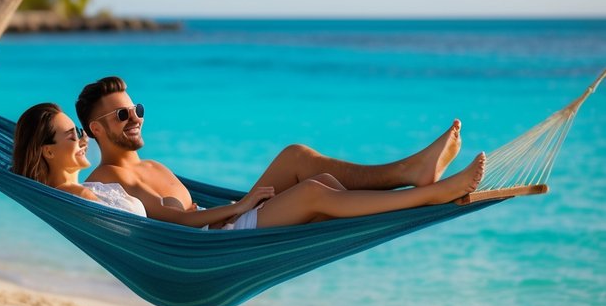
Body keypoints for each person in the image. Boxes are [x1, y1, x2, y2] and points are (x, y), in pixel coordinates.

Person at [70, 76, 486, 229]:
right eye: (123, 113)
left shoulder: (155, 166)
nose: (135, 117)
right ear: (97, 128)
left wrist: (238, 206)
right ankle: (428, 194)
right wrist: (245, 204)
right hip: (214, 247)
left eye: (137, 109)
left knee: (300, 161)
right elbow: (177, 219)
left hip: (228, 223)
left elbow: (191, 209)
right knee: (315, 195)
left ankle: (411, 170)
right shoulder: (106, 181)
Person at [12, 102, 274, 228]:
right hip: (210, 242)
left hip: (211, 228)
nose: (83, 140)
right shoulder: (77, 196)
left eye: (80, 132)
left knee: (303, 169)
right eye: (72, 136)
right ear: (47, 151)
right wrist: (240, 207)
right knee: (310, 186)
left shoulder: (89, 188)